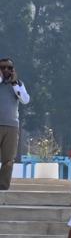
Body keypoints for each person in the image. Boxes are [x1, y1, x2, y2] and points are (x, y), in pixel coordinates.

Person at [0, 55, 28, 191]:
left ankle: (3, 187)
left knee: (8, 159)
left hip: (11, 126)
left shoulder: (18, 84)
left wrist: (15, 83)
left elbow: (25, 100)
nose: (6, 70)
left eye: (9, 67)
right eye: (3, 67)